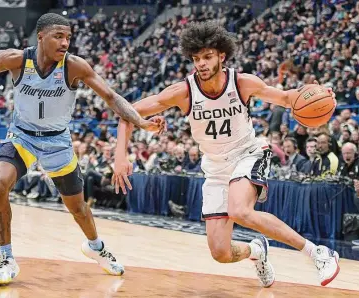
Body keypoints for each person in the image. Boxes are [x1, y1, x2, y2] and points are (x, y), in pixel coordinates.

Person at [112, 20, 340, 288]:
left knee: (240, 211)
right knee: (220, 252)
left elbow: (288, 98)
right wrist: (120, 156)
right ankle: (256, 251)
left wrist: (316, 93)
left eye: (207, 57)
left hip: (248, 153)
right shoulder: (182, 92)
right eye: (196, 58)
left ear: (222, 55)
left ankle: (319, 253)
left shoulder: (242, 83)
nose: (201, 64)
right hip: (215, 167)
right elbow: (126, 112)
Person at [0, 13, 163, 286]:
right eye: (58, 36)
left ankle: (95, 246)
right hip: (22, 137)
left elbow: (111, 97)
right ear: (41, 37)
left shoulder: (74, 66)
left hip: (57, 141)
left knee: (78, 208)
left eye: (68, 37)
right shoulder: (16, 59)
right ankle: (6, 258)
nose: (65, 43)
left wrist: (141, 122)